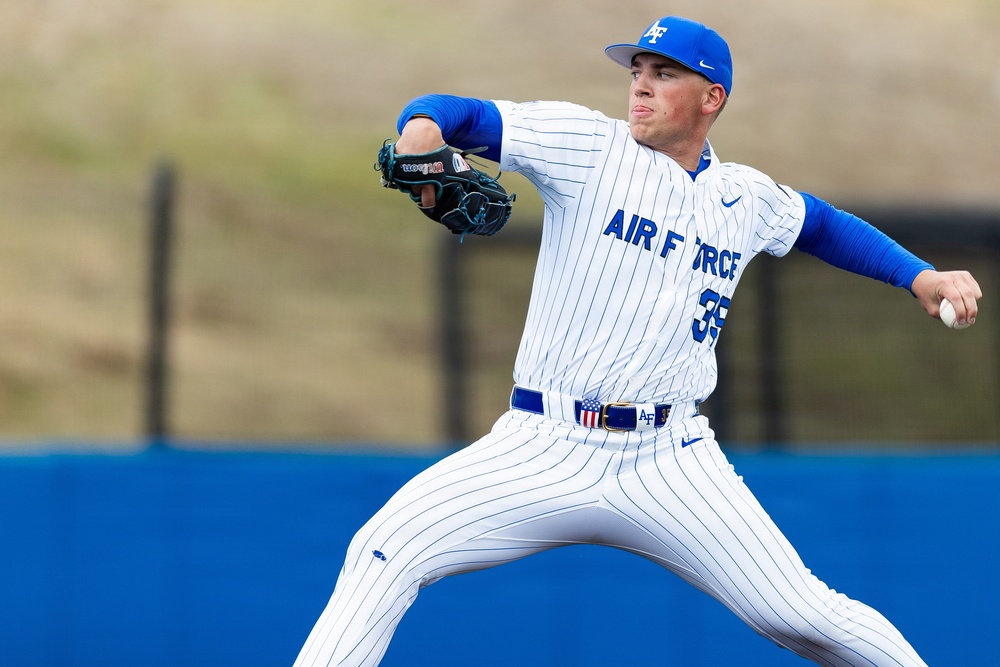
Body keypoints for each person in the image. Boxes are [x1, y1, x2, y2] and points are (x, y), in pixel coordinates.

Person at [295, 16, 981, 667]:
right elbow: (457, 112)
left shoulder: (745, 198)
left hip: (668, 457)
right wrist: (420, 130)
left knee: (802, 614)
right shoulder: (589, 147)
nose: (642, 84)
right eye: (637, 70)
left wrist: (917, 275)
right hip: (542, 441)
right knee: (385, 547)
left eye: (664, 73)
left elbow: (822, 225)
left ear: (712, 98)